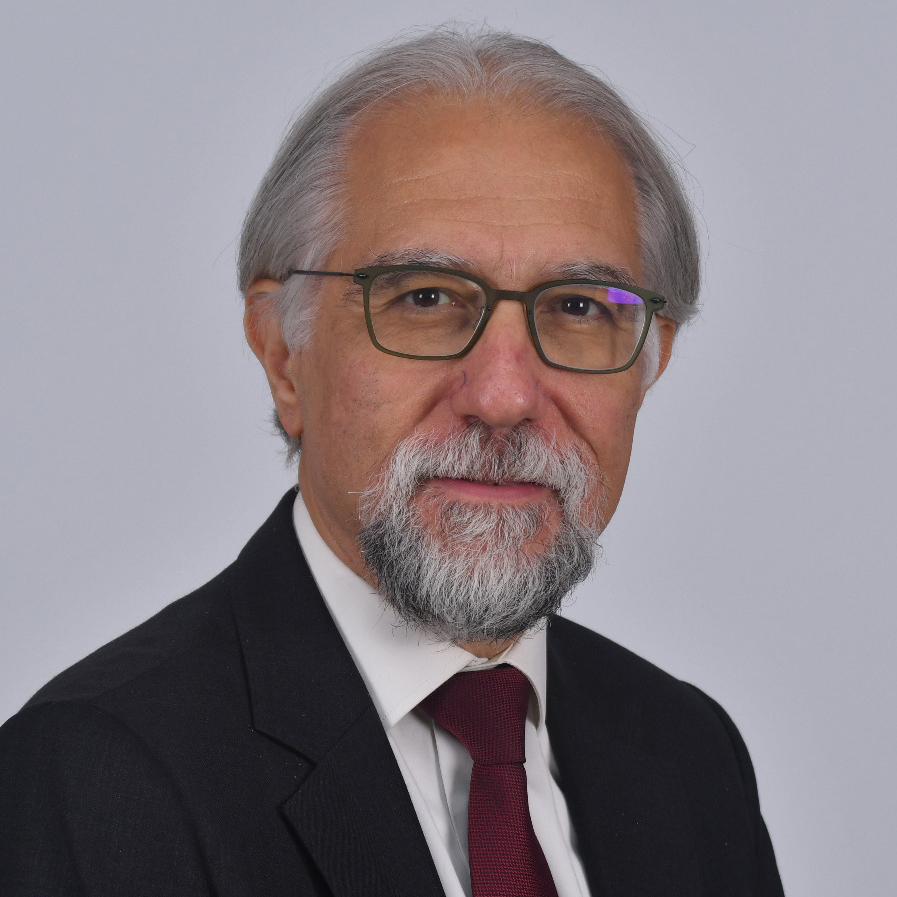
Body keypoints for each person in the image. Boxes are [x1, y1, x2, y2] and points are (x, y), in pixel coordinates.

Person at [0, 26, 784, 897]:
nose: (503, 395)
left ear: (650, 361)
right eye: (425, 297)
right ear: (282, 354)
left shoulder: (687, 756)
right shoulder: (99, 776)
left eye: (575, 307)